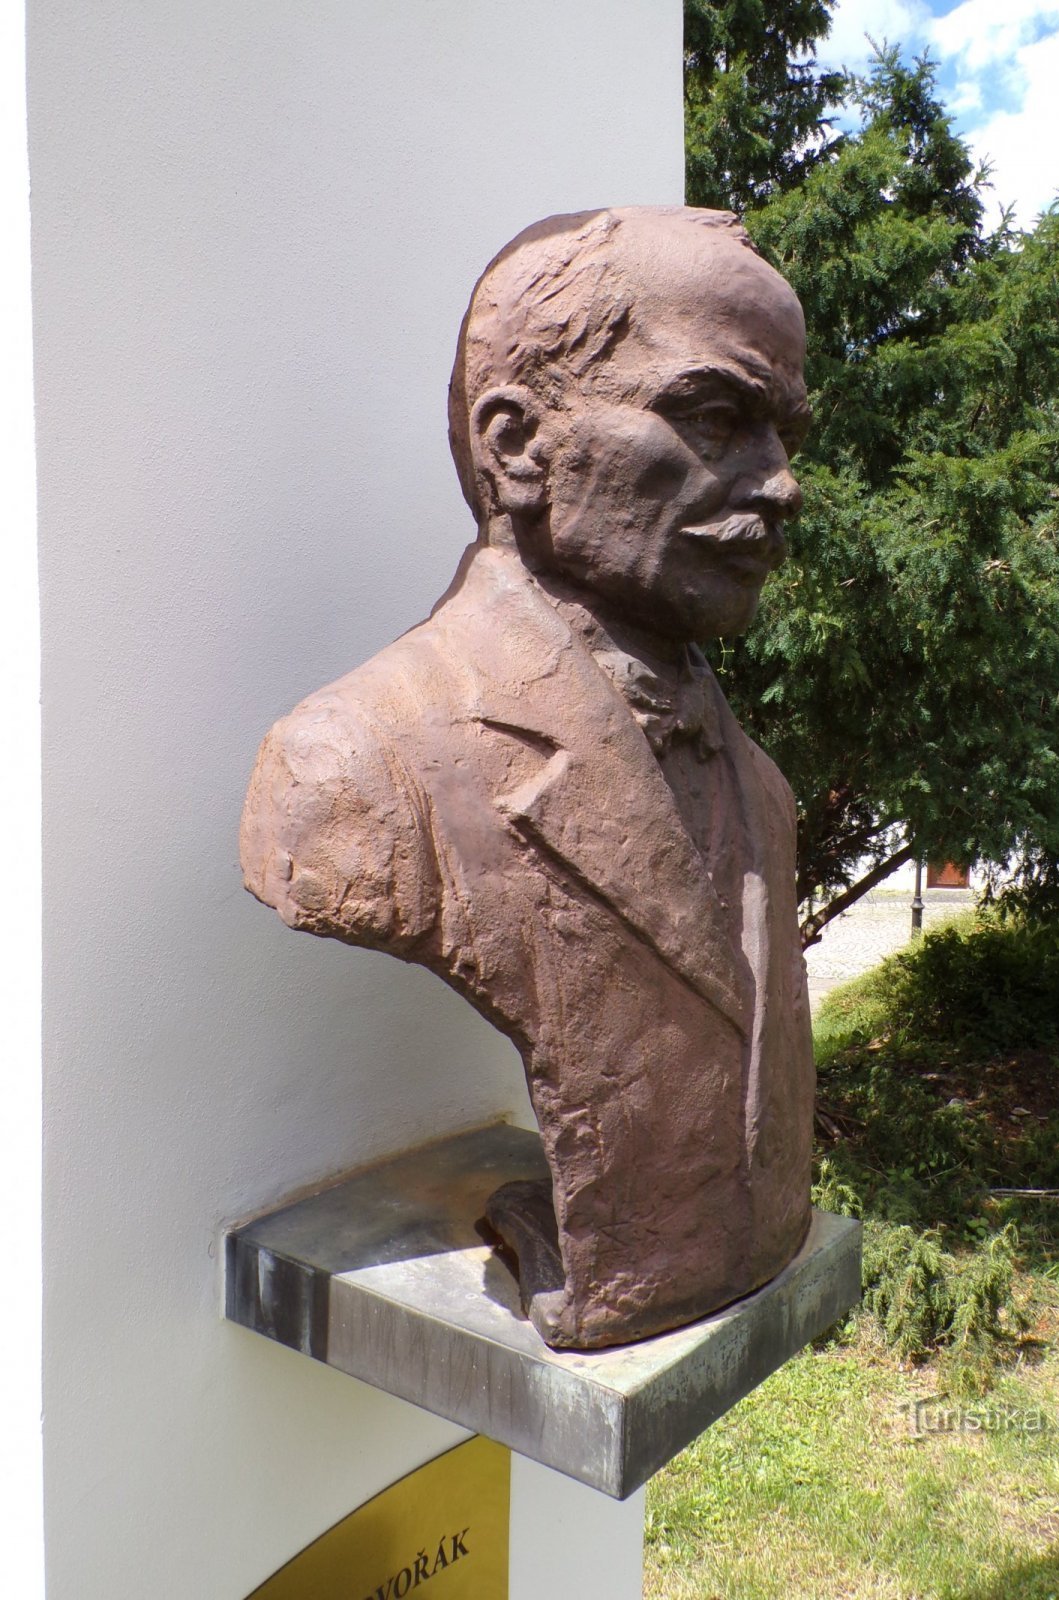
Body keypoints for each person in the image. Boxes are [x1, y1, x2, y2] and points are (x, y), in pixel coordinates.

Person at [240, 207, 815, 1349]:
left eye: (785, 432)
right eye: (714, 417)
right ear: (517, 446)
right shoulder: (355, 768)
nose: (783, 485)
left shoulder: (763, 791)